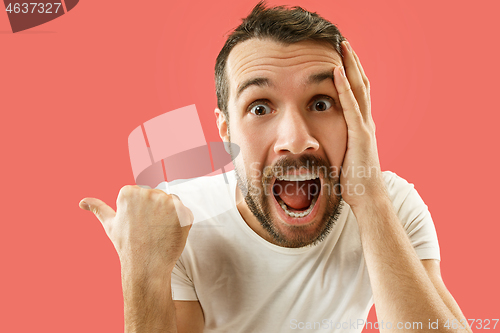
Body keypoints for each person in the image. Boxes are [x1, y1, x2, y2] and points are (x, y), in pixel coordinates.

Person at [79, 3, 471, 332]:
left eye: (321, 103)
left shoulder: (392, 204)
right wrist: (142, 269)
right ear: (225, 129)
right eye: (260, 107)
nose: (296, 140)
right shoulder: (181, 221)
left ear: (358, 118)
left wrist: (370, 200)